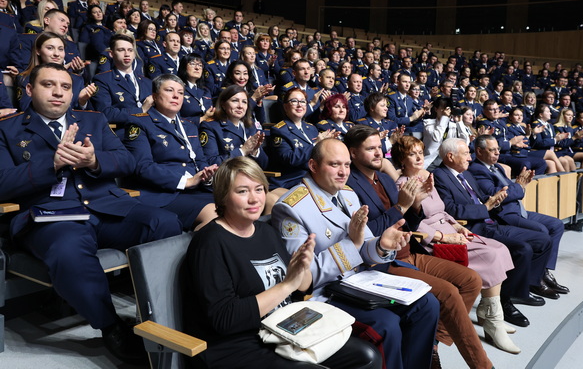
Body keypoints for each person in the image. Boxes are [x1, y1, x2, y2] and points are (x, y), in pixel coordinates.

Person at [0, 63, 183, 363]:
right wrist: (52, 164)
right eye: (48, 85)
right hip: (52, 216)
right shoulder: (8, 129)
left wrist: (95, 160)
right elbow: (2, 182)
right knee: (68, 252)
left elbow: (127, 161)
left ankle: (155, 315)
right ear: (30, 90)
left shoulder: (94, 120)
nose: (58, 92)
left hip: (107, 206)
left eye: (66, 86)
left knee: (165, 222)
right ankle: (111, 326)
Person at [183, 156, 381, 369]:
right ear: (222, 197)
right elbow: (225, 319)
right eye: (242, 191)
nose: (254, 199)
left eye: (259, 189)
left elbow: (300, 287)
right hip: (237, 344)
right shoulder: (210, 243)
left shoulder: (266, 232)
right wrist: (287, 284)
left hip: (281, 329)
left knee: (367, 356)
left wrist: (302, 267)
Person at [271, 138, 439, 369]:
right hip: (325, 293)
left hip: (360, 282)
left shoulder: (348, 194)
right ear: (313, 165)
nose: (343, 172)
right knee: (386, 323)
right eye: (335, 165)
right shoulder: (291, 207)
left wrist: (381, 245)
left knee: (427, 303)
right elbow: (302, 278)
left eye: (347, 165)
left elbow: (364, 247)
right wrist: (353, 243)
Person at [390, 134, 519, 355]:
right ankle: (493, 321)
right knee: (490, 255)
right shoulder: (402, 185)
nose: (419, 157)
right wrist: (444, 236)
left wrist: (459, 228)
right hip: (433, 240)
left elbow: (442, 210)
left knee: (499, 248)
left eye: (421, 152)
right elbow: (411, 224)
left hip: (450, 228)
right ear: (402, 159)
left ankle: (491, 315)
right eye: (412, 154)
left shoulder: (427, 176)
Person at [433, 138, 553, 326]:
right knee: (523, 249)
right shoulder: (440, 176)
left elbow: (483, 198)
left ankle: (522, 288)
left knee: (543, 239)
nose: (470, 158)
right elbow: (451, 210)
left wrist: (496, 200)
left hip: (491, 222)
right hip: (472, 227)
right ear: (450, 156)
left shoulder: (466, 175)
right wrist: (486, 207)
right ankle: (505, 302)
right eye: (466, 153)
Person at [469, 135, 568, 299]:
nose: (496, 153)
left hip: (518, 210)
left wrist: (518, 187)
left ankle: (543, 272)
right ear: (479, 151)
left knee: (556, 225)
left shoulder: (497, 167)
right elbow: (497, 195)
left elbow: (512, 191)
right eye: (492, 150)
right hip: (504, 215)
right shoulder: (477, 170)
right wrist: (519, 187)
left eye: (497, 150)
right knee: (542, 231)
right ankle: (534, 282)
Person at [122, 74, 218, 230]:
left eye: (180, 93)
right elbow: (142, 167)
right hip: (163, 195)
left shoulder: (189, 126)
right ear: (154, 96)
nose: (176, 96)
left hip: (195, 190)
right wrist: (185, 182)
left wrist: (206, 176)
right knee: (214, 214)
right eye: (169, 90)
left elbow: (200, 160)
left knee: (235, 203)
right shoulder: (139, 122)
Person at [267, 88, 336, 190]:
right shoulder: (279, 130)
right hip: (295, 179)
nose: (299, 105)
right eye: (294, 101)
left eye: (303, 101)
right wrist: (316, 144)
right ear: (285, 107)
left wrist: (327, 143)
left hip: (315, 175)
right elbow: (290, 159)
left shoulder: (311, 128)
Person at [16, 31, 95, 111]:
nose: (56, 54)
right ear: (38, 51)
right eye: (50, 48)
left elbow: (87, 115)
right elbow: (26, 109)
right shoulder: (25, 78)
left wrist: (82, 101)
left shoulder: (77, 79)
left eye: (61, 49)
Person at [91, 33, 153, 127]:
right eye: (121, 50)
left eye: (130, 50)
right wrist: (140, 110)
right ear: (111, 54)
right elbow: (106, 113)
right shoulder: (102, 80)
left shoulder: (147, 82)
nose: (127, 54)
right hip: (124, 131)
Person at [199, 84, 267, 167]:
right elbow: (211, 162)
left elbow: (264, 165)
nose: (240, 106)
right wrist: (242, 151)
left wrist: (255, 151)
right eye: (235, 101)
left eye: (244, 102)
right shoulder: (210, 126)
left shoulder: (250, 127)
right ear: (223, 105)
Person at [177, 53, 214, 127]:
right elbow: (175, 118)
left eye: (200, 65)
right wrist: (203, 118)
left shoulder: (205, 91)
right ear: (184, 67)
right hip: (187, 130)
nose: (197, 68)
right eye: (193, 64)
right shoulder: (177, 89)